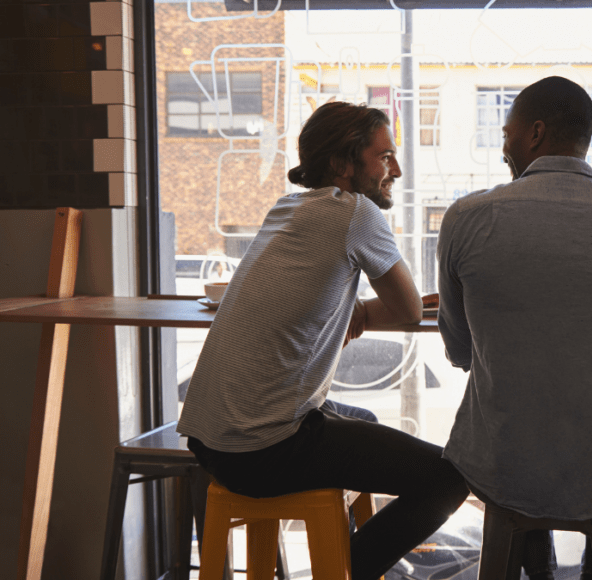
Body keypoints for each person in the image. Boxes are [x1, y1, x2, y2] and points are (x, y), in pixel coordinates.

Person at [177, 102, 469, 580]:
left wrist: (356, 309)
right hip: (264, 450)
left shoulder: (289, 208)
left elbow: (338, 296)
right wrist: (382, 307)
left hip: (210, 441)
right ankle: (343, 572)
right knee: (447, 479)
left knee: (365, 419)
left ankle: (348, 565)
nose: (394, 168)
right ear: (342, 164)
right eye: (384, 156)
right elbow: (410, 310)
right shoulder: (355, 212)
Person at [436, 76, 592, 580]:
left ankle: (536, 568)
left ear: (535, 134)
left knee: (516, 406)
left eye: (507, 133)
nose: (504, 146)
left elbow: (460, 347)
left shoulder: (467, 218)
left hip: (504, 457)